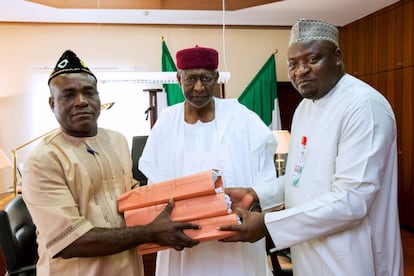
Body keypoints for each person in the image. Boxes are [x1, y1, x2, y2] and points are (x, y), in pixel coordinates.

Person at [220, 19, 404, 275]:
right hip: (308, 251)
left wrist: (269, 224)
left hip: (352, 257)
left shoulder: (364, 106)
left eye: (312, 60)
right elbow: (299, 178)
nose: (300, 71)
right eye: (293, 64)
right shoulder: (304, 108)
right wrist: (257, 194)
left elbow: (352, 200)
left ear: (337, 57)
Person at [21, 50, 200, 276]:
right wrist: (150, 232)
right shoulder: (43, 159)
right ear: (52, 103)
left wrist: (190, 202)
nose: (81, 102)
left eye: (89, 92)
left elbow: (131, 197)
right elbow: (70, 242)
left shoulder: (116, 140)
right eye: (68, 94)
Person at [139, 45, 282, 276]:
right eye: (191, 79)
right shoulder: (166, 123)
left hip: (234, 245)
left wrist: (250, 203)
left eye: (206, 78)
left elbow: (268, 184)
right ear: (178, 78)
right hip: (183, 244)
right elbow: (153, 188)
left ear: (216, 78)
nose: (199, 87)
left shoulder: (242, 118)